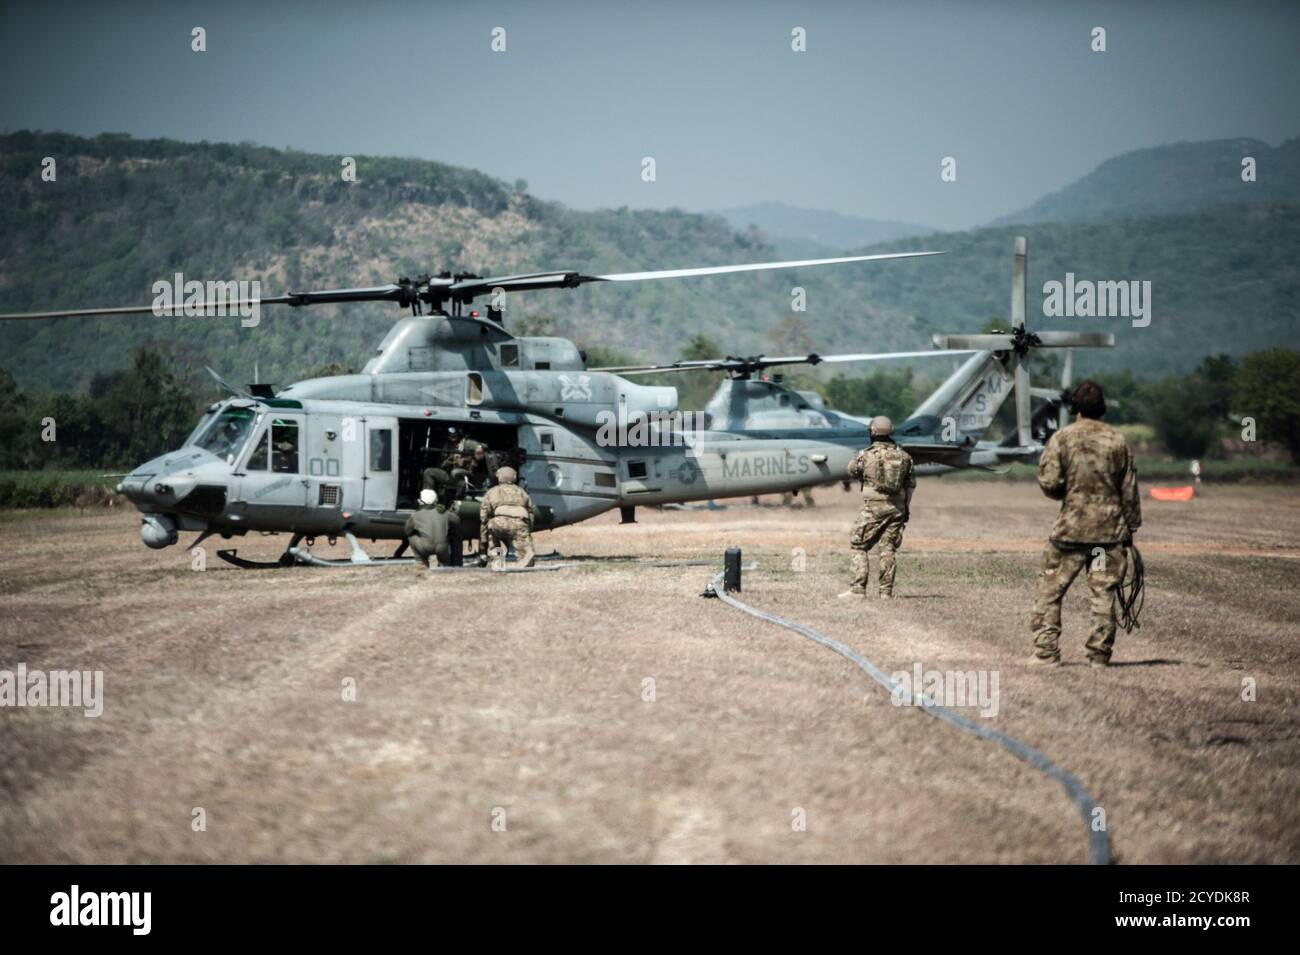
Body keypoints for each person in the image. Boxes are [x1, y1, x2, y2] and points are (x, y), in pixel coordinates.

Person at [1030, 380, 1142, 668]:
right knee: (1103, 593)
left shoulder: (1062, 439)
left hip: (1071, 532)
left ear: (1074, 407)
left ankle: (1046, 653)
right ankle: (1099, 655)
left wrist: (1067, 493)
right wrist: (1130, 527)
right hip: (1107, 535)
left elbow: (1050, 482)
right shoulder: (1118, 441)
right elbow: (1129, 489)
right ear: (1102, 408)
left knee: (1050, 590)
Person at [839, 416, 915, 599]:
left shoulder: (865, 455)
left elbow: (851, 470)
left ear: (872, 432)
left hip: (874, 507)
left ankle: (857, 590)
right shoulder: (904, 457)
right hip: (897, 508)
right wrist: (905, 508)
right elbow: (910, 486)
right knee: (888, 547)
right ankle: (885, 592)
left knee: (858, 544)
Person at [477, 466, 536, 568]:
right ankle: (525, 557)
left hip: (499, 523)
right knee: (525, 550)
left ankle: (497, 559)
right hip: (520, 523)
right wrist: (527, 530)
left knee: (491, 529)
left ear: (499, 477)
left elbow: (484, 515)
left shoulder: (493, 491)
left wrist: (483, 541)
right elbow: (531, 512)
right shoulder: (522, 492)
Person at [403, 488, 461, 568]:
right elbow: (456, 520)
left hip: (424, 547)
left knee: (411, 537)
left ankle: (421, 562)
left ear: (421, 501)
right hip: (442, 548)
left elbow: (407, 531)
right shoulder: (444, 512)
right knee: (452, 536)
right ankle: (445, 564)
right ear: (436, 500)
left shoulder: (415, 515)